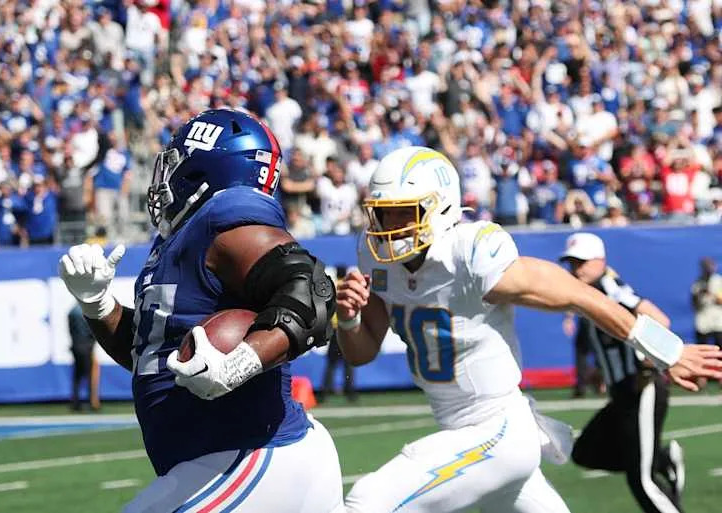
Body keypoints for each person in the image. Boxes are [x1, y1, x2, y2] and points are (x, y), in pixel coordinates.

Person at [334, 146, 722, 513]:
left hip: (498, 431)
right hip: (464, 431)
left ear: (441, 207)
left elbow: (580, 296)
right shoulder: (377, 259)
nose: (391, 228)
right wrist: (348, 319)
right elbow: (361, 352)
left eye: (404, 213)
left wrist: (667, 350)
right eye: (384, 215)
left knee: (369, 501)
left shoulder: (468, 255)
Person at [57, 109, 343, 512]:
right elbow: (152, 356)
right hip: (226, 460)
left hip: (255, 456)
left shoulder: (226, 218)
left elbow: (312, 291)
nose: (166, 176)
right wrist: (98, 303)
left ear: (205, 170)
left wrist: (240, 363)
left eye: (176, 164)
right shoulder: (185, 237)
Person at [560, 232, 686, 513]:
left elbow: (659, 319)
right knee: (586, 452)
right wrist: (600, 371)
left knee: (641, 481)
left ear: (600, 261)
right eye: (572, 263)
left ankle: (658, 464)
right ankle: (662, 460)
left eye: (582, 262)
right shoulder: (588, 294)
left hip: (641, 389)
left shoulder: (610, 287)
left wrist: (647, 365)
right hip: (621, 392)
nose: (576, 270)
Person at [318, 265, 357, 404]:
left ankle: (324, 392)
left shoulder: (333, 287)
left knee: (331, 364)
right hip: (346, 328)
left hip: (335, 329)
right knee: (348, 363)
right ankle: (350, 392)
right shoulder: (349, 288)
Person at [67, 303, 100, 411]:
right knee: (90, 374)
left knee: (77, 375)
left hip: (76, 345)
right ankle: (92, 401)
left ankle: (75, 402)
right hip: (86, 346)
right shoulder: (86, 312)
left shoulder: (72, 311)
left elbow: (71, 330)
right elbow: (91, 330)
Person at [691, 257, 722, 349]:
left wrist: (711, 294)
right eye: (706, 266)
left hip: (718, 320)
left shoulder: (719, 281)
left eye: (710, 265)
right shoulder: (697, 283)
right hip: (703, 321)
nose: (709, 268)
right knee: (703, 348)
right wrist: (699, 295)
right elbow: (694, 304)